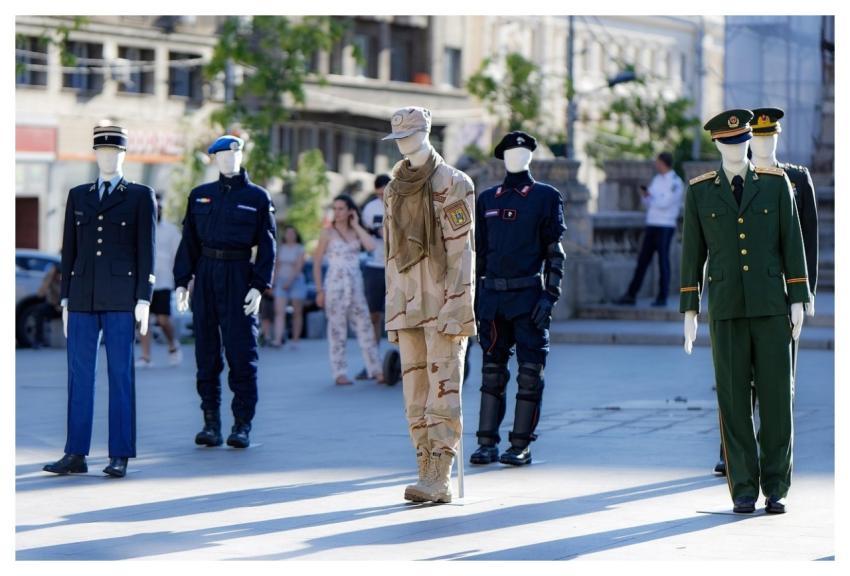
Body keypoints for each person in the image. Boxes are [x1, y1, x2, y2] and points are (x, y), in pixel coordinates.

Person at [681, 109, 809, 514]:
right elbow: (692, 254)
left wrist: (798, 296)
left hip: (771, 305)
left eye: (742, 141)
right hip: (727, 307)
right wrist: (690, 309)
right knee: (733, 401)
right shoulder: (700, 191)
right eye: (729, 143)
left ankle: (776, 485)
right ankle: (743, 488)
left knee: (777, 399)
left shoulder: (775, 184)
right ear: (718, 145)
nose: (736, 149)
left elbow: (792, 241)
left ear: (749, 141)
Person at [43, 125, 156, 478]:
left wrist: (144, 297)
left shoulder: (140, 195)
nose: (108, 157)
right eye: (102, 151)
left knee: (120, 375)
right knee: (79, 377)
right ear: (94, 154)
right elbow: (70, 250)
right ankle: (75, 453)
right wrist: (64, 298)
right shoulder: (79, 195)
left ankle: (120, 453)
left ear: (124, 155)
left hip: (122, 298)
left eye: (115, 152)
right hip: (81, 297)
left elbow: (147, 251)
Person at [382, 106, 476, 503]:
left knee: (444, 389)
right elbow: (391, 253)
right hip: (406, 304)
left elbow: (462, 250)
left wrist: (459, 305)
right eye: (398, 137)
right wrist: (392, 310)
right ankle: (423, 466)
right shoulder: (393, 189)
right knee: (414, 395)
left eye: (410, 134)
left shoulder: (454, 182)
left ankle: (441, 474)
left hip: (443, 303)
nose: (403, 143)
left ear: (426, 132)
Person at [469, 131, 567, 468]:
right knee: (491, 372)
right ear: (502, 157)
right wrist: (473, 300)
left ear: (531, 156)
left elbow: (555, 253)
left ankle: (520, 445)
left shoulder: (546, 197)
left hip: (528, 298)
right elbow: (479, 256)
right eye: (511, 152)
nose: (518, 156)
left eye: (523, 152)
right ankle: (486, 443)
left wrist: (550, 297)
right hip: (493, 298)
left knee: (530, 373)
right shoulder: (487, 199)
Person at [173, 134, 276, 449]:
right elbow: (189, 241)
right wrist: (182, 281)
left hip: (239, 275)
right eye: (225, 155)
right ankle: (211, 424)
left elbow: (268, 245)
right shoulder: (200, 196)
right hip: (206, 274)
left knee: (242, 354)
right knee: (205, 354)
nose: (231, 159)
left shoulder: (257, 197)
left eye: (236, 154)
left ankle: (242, 424)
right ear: (215, 159)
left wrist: (258, 286)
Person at [313, 194, 384, 386]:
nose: (337, 212)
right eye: (335, 208)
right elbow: (317, 263)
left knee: (365, 326)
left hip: (355, 285)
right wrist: (319, 290)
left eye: (341, 208)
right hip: (334, 285)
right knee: (337, 330)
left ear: (350, 210)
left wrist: (356, 225)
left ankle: (376, 369)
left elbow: (371, 246)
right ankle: (339, 372)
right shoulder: (327, 233)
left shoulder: (355, 231)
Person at [615, 151, 684, 307]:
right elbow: (647, 201)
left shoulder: (675, 182)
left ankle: (662, 296)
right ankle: (631, 294)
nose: (656, 165)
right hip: (652, 223)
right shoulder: (657, 179)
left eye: (658, 162)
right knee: (642, 261)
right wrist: (649, 197)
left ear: (664, 163)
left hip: (665, 226)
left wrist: (651, 198)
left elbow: (664, 203)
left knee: (663, 261)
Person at [137, 193, 183, 368]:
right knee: (143, 319)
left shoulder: (171, 231)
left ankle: (173, 345)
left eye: (160, 207)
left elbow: (178, 257)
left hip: (163, 282)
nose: (157, 210)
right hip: (143, 281)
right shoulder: (140, 229)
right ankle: (146, 357)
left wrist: (182, 281)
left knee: (163, 320)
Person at [354, 174, 390, 379]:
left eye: (385, 193)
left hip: (398, 267)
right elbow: (368, 233)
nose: (382, 198)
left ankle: (405, 364)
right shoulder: (370, 208)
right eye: (378, 194)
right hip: (375, 266)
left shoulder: (404, 204)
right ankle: (372, 364)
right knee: (373, 316)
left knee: (399, 318)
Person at [272, 225, 307, 349]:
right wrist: (273, 282)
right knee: (279, 312)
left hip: (296, 281)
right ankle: (278, 339)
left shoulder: (300, 249)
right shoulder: (280, 248)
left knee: (297, 312)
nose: (290, 235)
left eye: (292, 233)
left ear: (296, 235)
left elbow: (298, 267)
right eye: (288, 233)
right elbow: (276, 266)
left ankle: (295, 340)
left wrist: (289, 282)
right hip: (281, 281)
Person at [31, 263, 62, 349]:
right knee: (39, 310)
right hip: (53, 307)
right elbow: (40, 294)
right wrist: (49, 278)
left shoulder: (66, 281)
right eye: (57, 274)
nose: (58, 277)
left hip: (65, 307)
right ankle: (38, 341)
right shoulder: (50, 279)